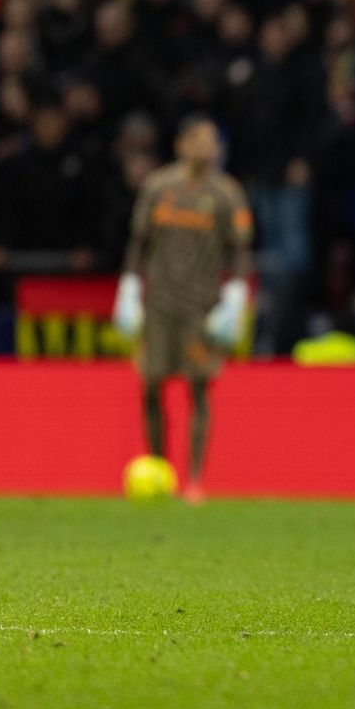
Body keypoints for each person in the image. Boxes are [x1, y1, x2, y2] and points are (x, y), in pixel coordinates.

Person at [114, 115, 253, 504]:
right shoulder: (159, 187)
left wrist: (237, 295)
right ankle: (160, 468)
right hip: (159, 303)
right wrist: (128, 288)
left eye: (213, 141)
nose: (209, 148)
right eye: (201, 140)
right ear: (182, 145)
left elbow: (240, 249)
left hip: (200, 305)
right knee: (152, 383)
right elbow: (139, 242)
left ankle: (194, 480)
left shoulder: (227, 193)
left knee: (199, 386)